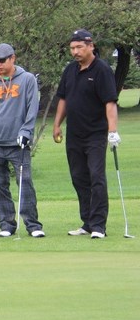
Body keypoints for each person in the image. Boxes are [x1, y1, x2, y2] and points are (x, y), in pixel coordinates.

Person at [53, 29, 120, 239]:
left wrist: (113, 131)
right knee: (79, 178)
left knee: (96, 177)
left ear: (91, 46)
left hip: (96, 135)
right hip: (74, 134)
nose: (75, 51)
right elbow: (63, 99)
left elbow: (110, 102)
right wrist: (57, 125)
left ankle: (99, 225)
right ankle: (88, 222)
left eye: (79, 47)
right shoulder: (70, 70)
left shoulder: (102, 70)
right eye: (72, 48)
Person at [0, 43, 45, 238]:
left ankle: (33, 225)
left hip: (18, 144)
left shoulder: (27, 80)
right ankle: (6, 225)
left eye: (2, 60)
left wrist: (26, 131)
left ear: (13, 58)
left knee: (25, 183)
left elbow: (32, 109)